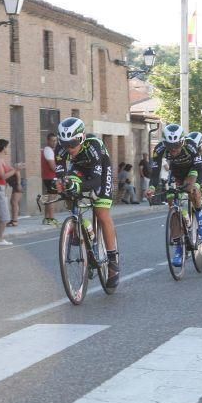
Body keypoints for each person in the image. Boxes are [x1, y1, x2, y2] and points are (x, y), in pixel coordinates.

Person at [55, 117, 121, 288]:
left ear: (81, 138)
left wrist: (80, 187)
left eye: (72, 144)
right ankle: (79, 226)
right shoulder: (62, 148)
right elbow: (60, 173)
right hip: (79, 168)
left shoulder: (94, 146)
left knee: (101, 211)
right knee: (69, 188)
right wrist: (63, 184)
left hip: (100, 170)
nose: (69, 149)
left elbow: (96, 181)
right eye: (65, 145)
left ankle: (113, 260)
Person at [145, 124, 202, 268]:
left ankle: (200, 215)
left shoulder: (190, 146)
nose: (173, 150)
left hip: (191, 170)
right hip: (175, 172)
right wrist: (152, 187)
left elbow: (200, 168)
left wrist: (197, 185)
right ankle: (179, 247)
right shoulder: (159, 149)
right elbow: (155, 171)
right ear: (164, 143)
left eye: (177, 146)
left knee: (191, 189)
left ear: (182, 141)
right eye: (170, 146)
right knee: (172, 202)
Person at [40, 132, 58, 225]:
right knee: (52, 199)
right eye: (53, 141)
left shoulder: (47, 150)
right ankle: (51, 219)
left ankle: (46, 218)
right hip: (51, 177)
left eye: (56, 140)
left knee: (49, 198)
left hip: (48, 177)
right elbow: (53, 167)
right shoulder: (49, 150)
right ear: (48, 141)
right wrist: (61, 171)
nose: (54, 142)